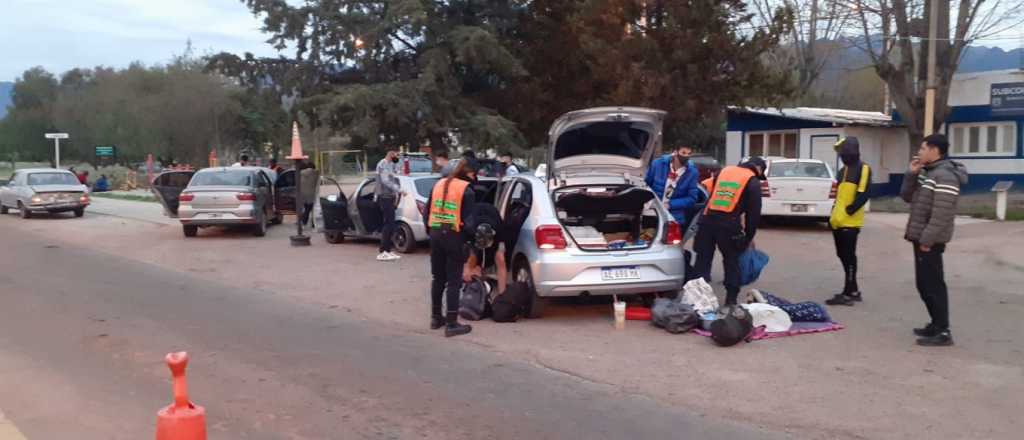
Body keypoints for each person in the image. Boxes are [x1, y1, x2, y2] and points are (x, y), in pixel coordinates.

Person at [901, 134, 968, 347]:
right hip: (920, 236)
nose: (919, 152)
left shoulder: (945, 176)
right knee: (923, 284)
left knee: (934, 284)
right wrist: (911, 174)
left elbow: (942, 213)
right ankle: (935, 323)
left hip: (930, 239)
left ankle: (943, 330)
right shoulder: (927, 173)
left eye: (923, 148)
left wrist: (927, 239)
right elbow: (908, 197)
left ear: (934, 150)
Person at [693, 157, 766, 305]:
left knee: (702, 260)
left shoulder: (724, 171)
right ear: (757, 168)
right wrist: (747, 238)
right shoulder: (752, 181)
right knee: (732, 262)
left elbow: (712, 196)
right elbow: (753, 215)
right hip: (728, 225)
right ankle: (730, 301)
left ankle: (698, 299)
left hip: (707, 221)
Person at [423, 159, 477, 337]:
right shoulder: (466, 190)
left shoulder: (438, 185)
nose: (473, 177)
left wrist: (431, 233)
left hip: (436, 234)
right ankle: (452, 323)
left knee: (437, 278)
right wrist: (470, 242)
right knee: (454, 281)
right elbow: (469, 224)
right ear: (464, 173)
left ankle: (435, 317)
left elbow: (427, 212)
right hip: (454, 236)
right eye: (471, 173)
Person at [825, 137, 873, 306]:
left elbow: (864, 193)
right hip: (837, 221)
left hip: (850, 222)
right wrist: (832, 216)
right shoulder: (842, 170)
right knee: (842, 255)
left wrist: (850, 209)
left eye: (843, 152)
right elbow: (838, 196)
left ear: (851, 151)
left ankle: (849, 292)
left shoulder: (863, 168)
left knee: (849, 255)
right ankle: (853, 290)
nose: (842, 156)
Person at [645, 145, 702, 228]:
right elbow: (646, 185)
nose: (686, 156)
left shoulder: (692, 172)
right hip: (652, 212)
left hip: (674, 217)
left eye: (689, 154)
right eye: (683, 153)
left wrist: (670, 204)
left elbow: (692, 198)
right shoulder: (657, 164)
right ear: (675, 152)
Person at [462, 203, 509, 295]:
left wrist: (500, 250)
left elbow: (501, 246)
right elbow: (465, 249)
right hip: (474, 233)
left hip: (493, 224)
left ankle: (502, 294)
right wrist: (469, 269)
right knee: (471, 260)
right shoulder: (469, 227)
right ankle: (471, 290)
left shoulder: (499, 228)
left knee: (500, 259)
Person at [375, 148, 405, 261]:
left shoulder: (390, 164)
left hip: (389, 197)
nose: (396, 158)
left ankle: (387, 250)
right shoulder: (383, 164)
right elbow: (386, 181)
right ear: (391, 154)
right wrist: (399, 190)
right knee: (388, 224)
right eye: (395, 155)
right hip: (384, 197)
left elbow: (398, 172)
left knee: (391, 224)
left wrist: (400, 160)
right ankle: (383, 251)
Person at [299, 161, 320, 226]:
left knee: (306, 208)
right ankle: (311, 222)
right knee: (311, 208)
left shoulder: (301, 173)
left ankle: (304, 220)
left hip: (303, 194)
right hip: (312, 194)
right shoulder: (316, 173)